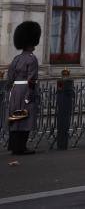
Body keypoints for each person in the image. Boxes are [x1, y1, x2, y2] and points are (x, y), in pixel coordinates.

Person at [6, 21, 41, 155]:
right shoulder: (32, 59)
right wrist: (30, 95)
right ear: (31, 44)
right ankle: (21, 147)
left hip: (15, 90)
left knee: (15, 117)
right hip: (26, 90)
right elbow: (32, 79)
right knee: (25, 117)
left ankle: (13, 146)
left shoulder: (17, 58)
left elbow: (10, 77)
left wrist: (11, 91)